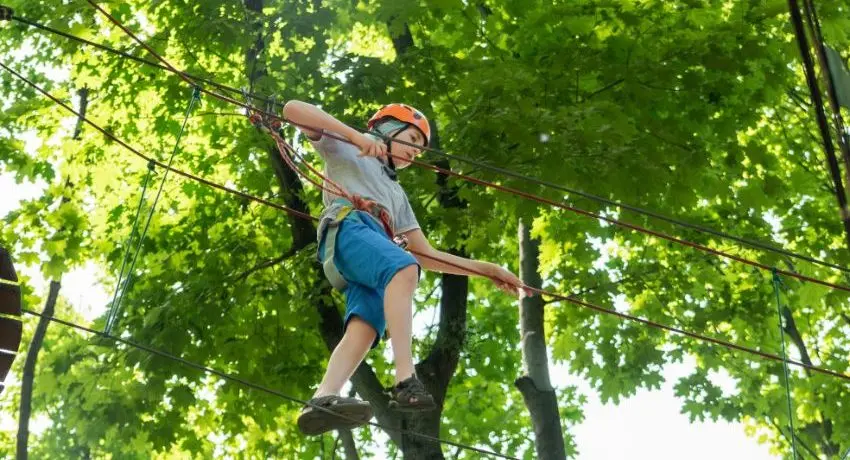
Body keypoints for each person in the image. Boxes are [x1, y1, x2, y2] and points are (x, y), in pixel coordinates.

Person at [282, 101, 527, 435]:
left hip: (372, 252)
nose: (415, 152)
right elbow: (292, 109)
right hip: (350, 228)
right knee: (403, 268)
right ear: (387, 129)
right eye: (412, 139)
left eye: (420, 149)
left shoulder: (396, 194)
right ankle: (405, 378)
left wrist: (488, 269)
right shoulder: (346, 147)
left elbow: (426, 254)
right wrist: (356, 136)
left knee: (367, 325)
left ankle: (322, 398)